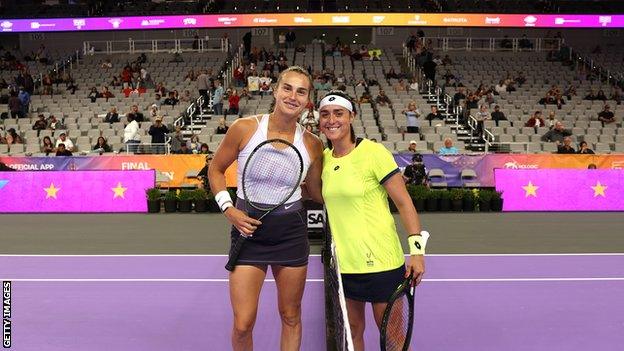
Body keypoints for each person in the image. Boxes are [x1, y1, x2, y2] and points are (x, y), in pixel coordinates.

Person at [207, 66, 324, 351]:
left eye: (301, 91)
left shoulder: (313, 144)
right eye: (287, 88)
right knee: (243, 324)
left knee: (291, 316)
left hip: (291, 233)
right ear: (275, 90)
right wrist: (229, 209)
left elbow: (317, 194)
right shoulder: (244, 128)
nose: (293, 96)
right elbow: (216, 169)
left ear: (308, 99)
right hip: (248, 231)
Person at [317, 90, 425, 351]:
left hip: (382, 264)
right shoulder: (324, 160)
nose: (331, 120)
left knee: (393, 339)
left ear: (352, 116)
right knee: (353, 334)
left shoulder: (374, 152)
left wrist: (417, 253)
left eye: (339, 113)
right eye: (325, 114)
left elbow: (404, 203)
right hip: (344, 267)